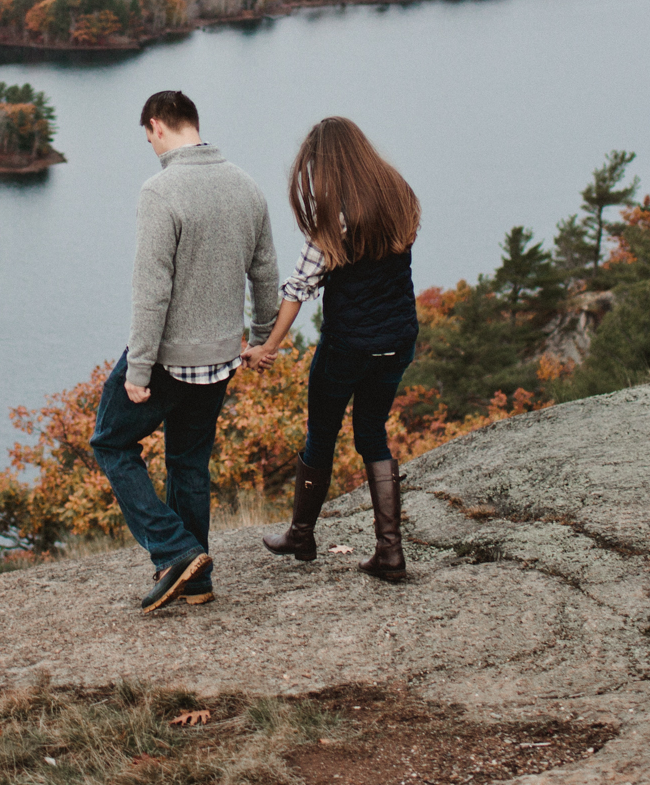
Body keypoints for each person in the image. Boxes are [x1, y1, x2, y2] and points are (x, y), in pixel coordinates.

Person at [89, 89, 281, 613]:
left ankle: (175, 550)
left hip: (168, 358)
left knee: (109, 443)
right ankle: (196, 581)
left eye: (147, 136)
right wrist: (261, 340)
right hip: (220, 358)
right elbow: (265, 273)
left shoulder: (161, 190)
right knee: (189, 463)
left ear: (156, 126)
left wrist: (139, 367)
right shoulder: (246, 186)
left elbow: (152, 290)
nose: (149, 145)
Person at [244, 116, 419, 582]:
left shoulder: (335, 217)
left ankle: (302, 535)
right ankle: (390, 553)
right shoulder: (398, 193)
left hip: (348, 347)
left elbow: (299, 288)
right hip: (397, 340)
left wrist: (266, 348)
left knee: (321, 434)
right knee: (372, 435)